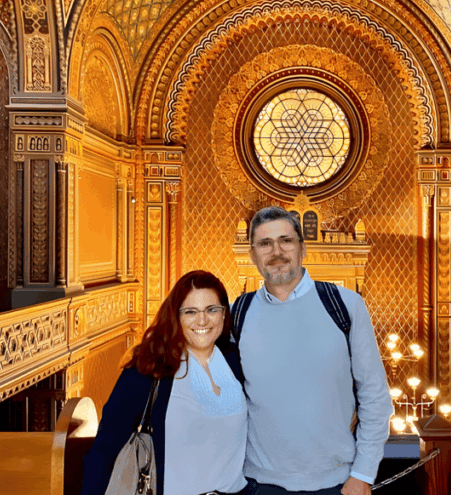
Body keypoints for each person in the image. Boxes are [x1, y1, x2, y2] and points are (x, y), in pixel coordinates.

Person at [236, 206, 393, 495]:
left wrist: (363, 473)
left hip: (335, 484)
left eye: (286, 240)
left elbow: (374, 396)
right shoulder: (238, 313)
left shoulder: (345, 305)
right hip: (258, 484)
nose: (277, 251)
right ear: (253, 254)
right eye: (265, 243)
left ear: (302, 248)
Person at [81, 270, 247, 495]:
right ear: (176, 316)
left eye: (212, 310)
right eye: (190, 311)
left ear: (224, 313)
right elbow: (103, 452)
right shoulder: (148, 371)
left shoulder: (236, 361)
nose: (202, 320)